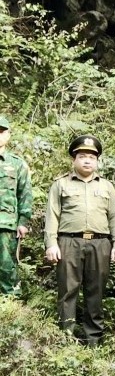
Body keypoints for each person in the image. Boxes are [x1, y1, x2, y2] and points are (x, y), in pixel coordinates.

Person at [44, 135, 115, 346]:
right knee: (68, 290)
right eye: (82, 156)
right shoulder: (60, 184)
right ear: (74, 159)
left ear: (97, 161)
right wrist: (51, 243)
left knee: (95, 291)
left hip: (100, 244)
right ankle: (66, 337)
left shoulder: (107, 187)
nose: (87, 160)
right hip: (69, 242)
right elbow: (53, 216)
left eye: (91, 156)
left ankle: (93, 339)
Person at [0, 116, 32, 296]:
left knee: (7, 267)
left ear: (8, 135)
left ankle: (10, 307)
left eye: (1, 132)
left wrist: (23, 221)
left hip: (6, 225)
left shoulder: (17, 163)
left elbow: (25, 194)